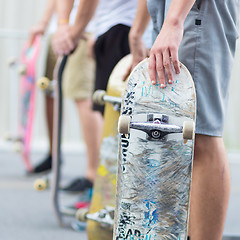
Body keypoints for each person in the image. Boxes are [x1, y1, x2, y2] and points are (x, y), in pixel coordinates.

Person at [128, 0, 240, 240]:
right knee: (175, 137)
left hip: (197, 9)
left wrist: (174, 21)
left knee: (200, 135)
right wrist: (139, 29)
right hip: (171, 9)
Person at [29, 0, 103, 192]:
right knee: (52, 92)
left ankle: (93, 175)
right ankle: (54, 154)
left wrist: (76, 29)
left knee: (84, 97)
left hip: (84, 29)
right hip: (64, 30)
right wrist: (47, 24)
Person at [52, 0, 152, 116]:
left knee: (117, 116)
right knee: (115, 115)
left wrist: (74, 34)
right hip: (120, 30)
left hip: (120, 32)